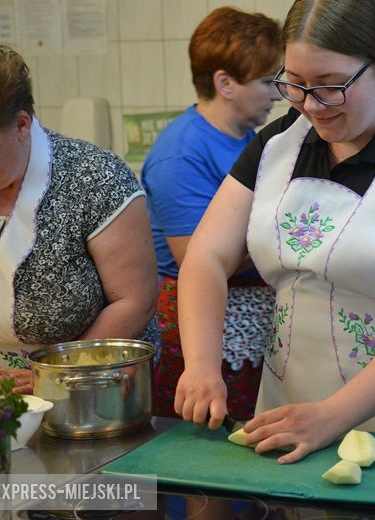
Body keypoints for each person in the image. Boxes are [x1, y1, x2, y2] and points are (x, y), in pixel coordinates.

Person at [175, 0, 375, 463]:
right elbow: (207, 255)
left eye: (328, 86)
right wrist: (201, 365)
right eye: (294, 84)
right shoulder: (277, 146)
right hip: (289, 408)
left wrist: (333, 415)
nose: (310, 105)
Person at [0, 44, 158, 394]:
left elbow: (135, 300)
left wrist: (55, 376)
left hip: (86, 396)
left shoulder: (94, 178)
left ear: (21, 125)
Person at [141, 6, 282, 419]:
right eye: (266, 80)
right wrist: (293, 240)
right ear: (226, 83)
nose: (277, 92)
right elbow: (195, 258)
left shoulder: (248, 139)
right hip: (204, 332)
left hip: (251, 324)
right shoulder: (182, 153)